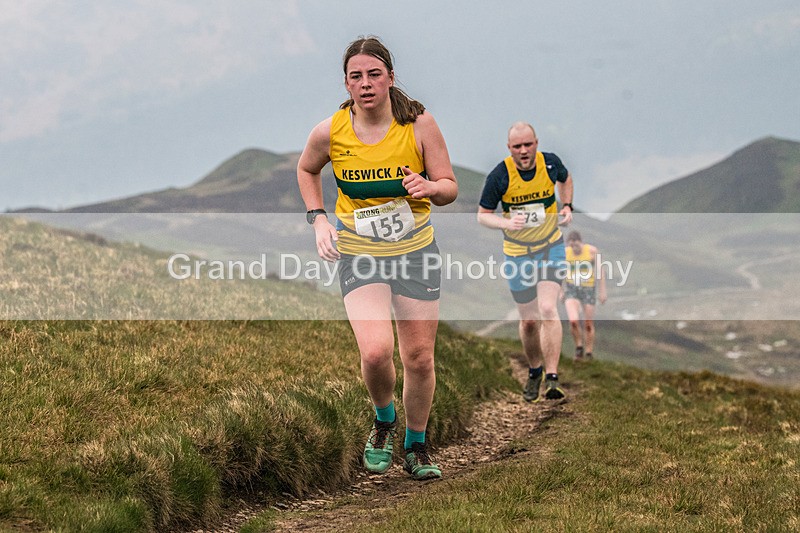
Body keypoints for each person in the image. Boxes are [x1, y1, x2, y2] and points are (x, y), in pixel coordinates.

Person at [297, 36, 457, 480]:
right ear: (346, 84)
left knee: (419, 358)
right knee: (375, 353)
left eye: (374, 74)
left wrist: (429, 188)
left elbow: (449, 185)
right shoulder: (331, 131)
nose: (365, 84)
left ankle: (418, 444)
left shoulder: (419, 124)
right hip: (361, 253)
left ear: (390, 77)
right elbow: (307, 169)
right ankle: (385, 419)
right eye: (356, 76)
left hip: (415, 251)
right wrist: (319, 220)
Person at [477, 122, 574, 402]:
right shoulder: (500, 176)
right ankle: (535, 369)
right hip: (518, 253)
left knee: (547, 308)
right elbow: (483, 215)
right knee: (529, 321)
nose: (523, 151)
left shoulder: (551, 164)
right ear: (509, 149)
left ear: (536, 143)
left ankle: (552, 378)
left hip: (550, 247)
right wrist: (506, 222)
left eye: (528, 145)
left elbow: (566, 180)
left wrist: (567, 206)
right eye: (517, 146)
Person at [563, 230, 607, 361]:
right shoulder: (566, 253)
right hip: (572, 288)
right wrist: (560, 290)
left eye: (575, 245)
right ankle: (578, 347)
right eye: (571, 245)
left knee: (588, 323)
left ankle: (588, 352)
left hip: (588, 288)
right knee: (573, 321)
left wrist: (602, 291)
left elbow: (600, 271)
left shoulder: (592, 251)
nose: (574, 248)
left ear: (580, 242)